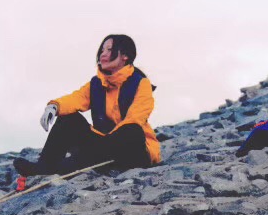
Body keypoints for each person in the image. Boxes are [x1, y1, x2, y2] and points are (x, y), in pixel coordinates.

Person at [14, 34, 160, 176]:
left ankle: (81, 161)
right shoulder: (96, 84)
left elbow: (136, 116)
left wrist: (103, 144)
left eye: (109, 50)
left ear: (125, 56)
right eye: (102, 50)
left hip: (133, 150)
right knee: (68, 119)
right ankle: (44, 166)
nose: (103, 54)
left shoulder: (141, 83)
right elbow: (76, 99)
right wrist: (54, 106)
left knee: (131, 129)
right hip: (103, 147)